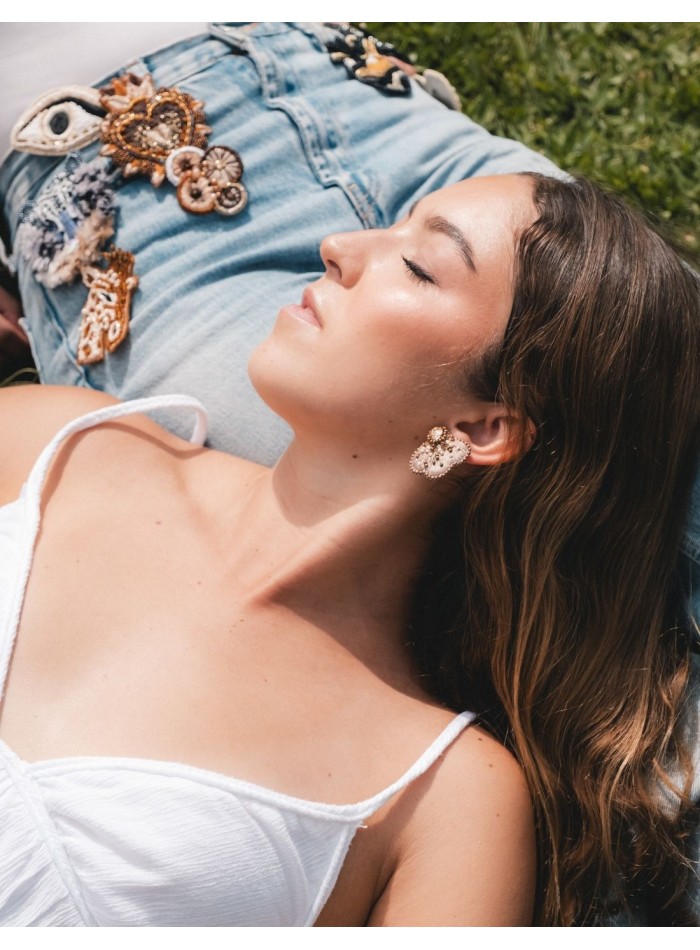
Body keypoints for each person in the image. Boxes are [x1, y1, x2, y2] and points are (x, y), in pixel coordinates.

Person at [0, 23, 698, 924]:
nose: (337, 244)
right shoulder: (57, 446)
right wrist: (419, 257)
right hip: (352, 77)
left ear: (483, 426)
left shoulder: (452, 803)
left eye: (411, 261)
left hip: (123, 180)